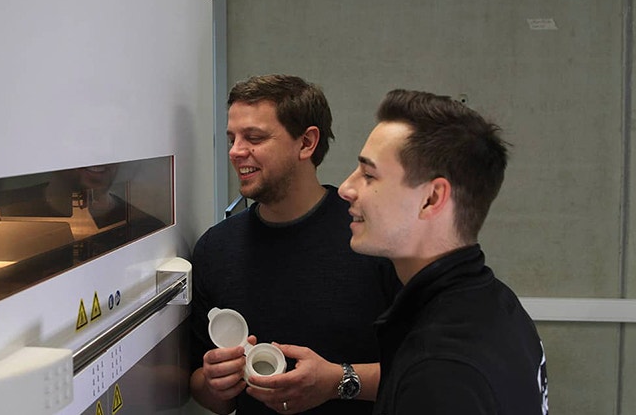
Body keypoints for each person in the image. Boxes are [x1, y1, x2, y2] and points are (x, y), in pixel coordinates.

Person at [189, 74, 401, 415]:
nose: (235, 151)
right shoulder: (215, 250)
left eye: (254, 138)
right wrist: (217, 383)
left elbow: (429, 371)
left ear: (306, 143)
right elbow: (203, 390)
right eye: (232, 138)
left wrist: (337, 381)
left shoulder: (373, 239)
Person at [338, 89, 549, 414]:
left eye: (369, 175)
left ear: (432, 199)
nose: (346, 188)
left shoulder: (441, 371)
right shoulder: (497, 302)